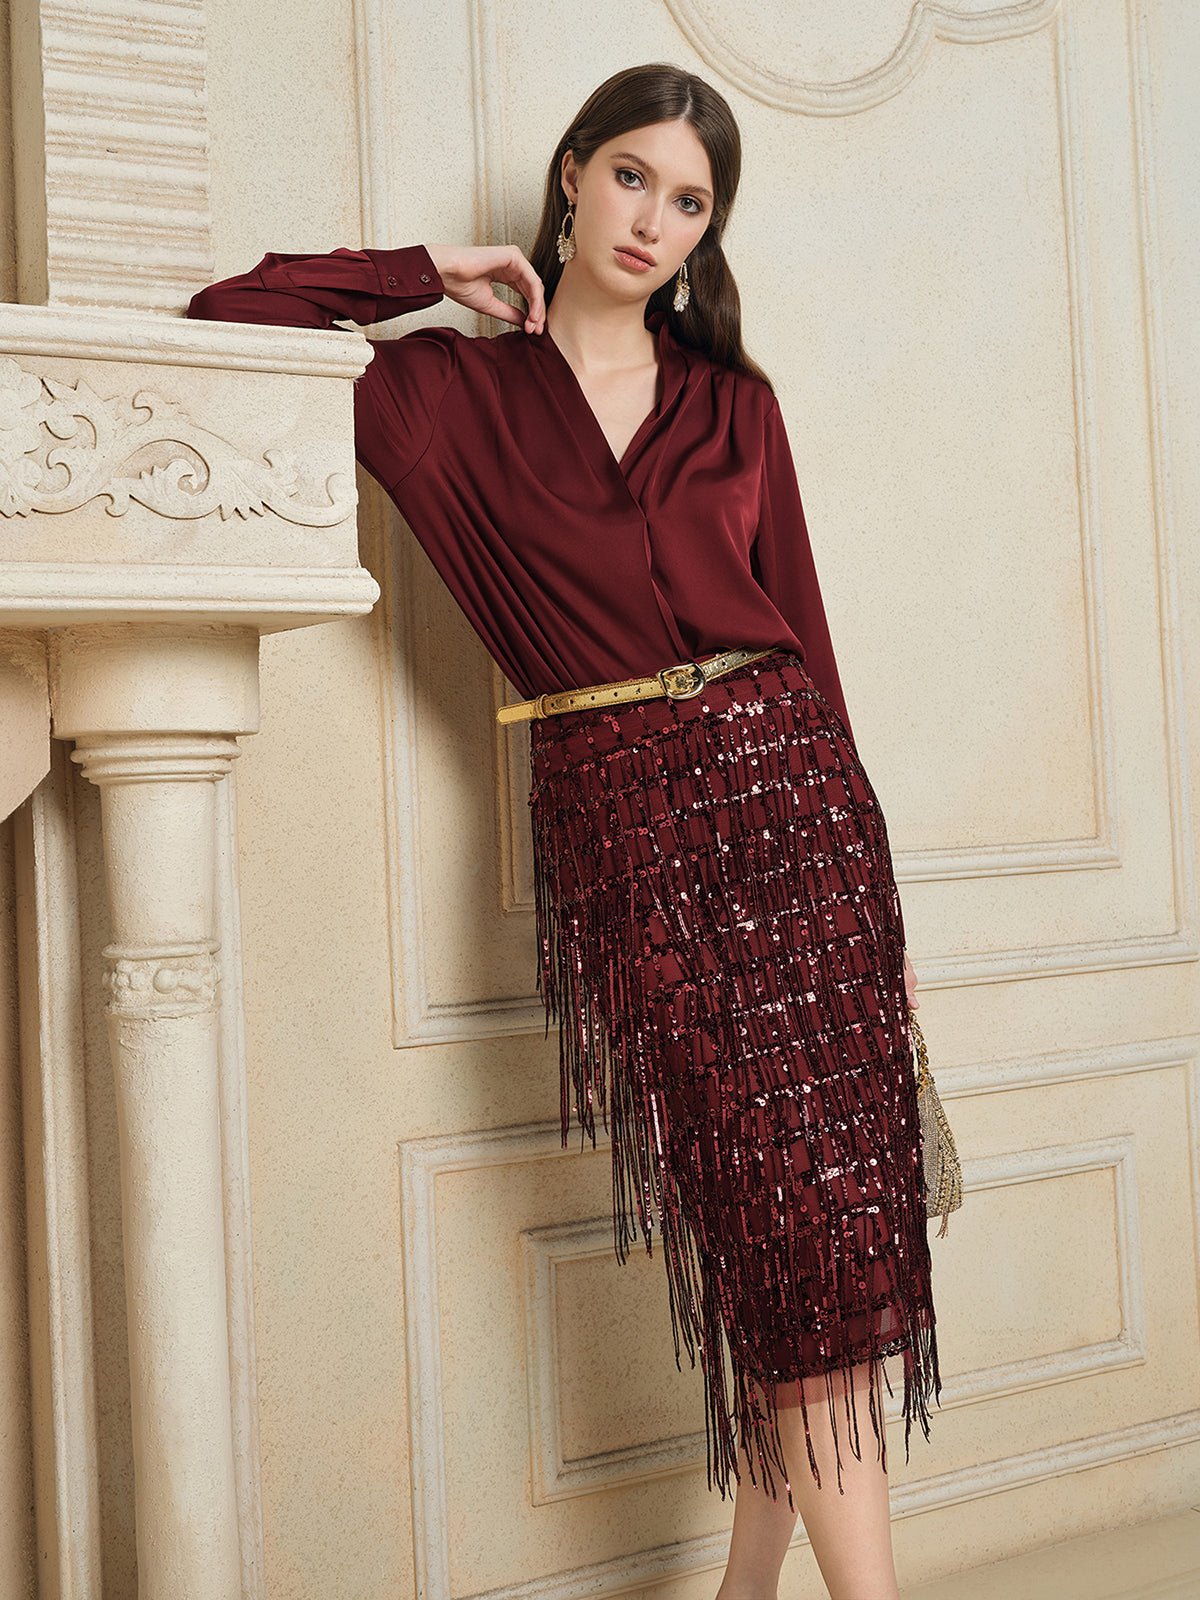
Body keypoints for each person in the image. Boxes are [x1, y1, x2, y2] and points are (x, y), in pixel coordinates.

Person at [189, 60, 941, 1600]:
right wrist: (421, 271)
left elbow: (809, 642)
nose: (653, 220)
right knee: (772, 1226)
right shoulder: (443, 398)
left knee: (823, 1236)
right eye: (632, 178)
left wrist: (884, 920)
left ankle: (753, 1592)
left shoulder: (735, 407)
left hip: (798, 814)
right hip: (632, 828)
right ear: (572, 177)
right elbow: (227, 320)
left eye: (690, 202)